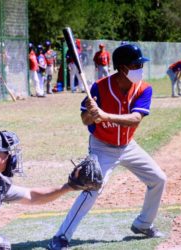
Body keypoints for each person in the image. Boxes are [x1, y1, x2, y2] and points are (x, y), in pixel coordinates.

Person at [48, 44, 167, 250]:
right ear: (122, 68)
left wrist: (105, 115)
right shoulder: (99, 87)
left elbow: (135, 118)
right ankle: (61, 236)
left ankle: (143, 224)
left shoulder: (144, 88)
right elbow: (85, 121)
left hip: (128, 146)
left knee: (158, 179)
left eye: (140, 64)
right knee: (93, 187)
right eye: (136, 64)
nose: (140, 68)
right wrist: (90, 113)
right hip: (102, 146)